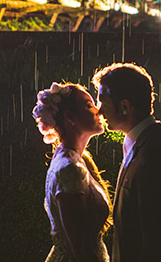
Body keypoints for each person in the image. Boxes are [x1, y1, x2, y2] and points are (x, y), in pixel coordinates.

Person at [92, 63, 161, 262]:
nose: (99, 112)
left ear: (125, 107)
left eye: (103, 103)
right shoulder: (141, 144)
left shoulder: (156, 156)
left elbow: (159, 242)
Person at [33, 82, 113, 262]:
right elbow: (81, 249)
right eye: (88, 105)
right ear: (70, 118)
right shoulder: (69, 169)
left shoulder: (77, 160)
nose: (98, 110)